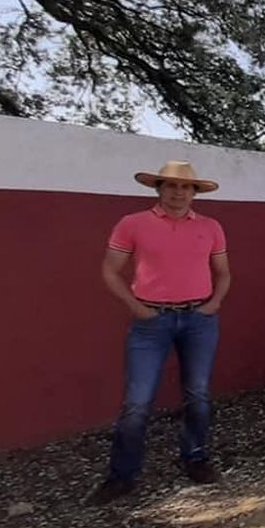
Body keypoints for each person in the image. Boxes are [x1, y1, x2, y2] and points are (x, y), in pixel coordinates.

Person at [86, 161, 231, 506]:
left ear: (195, 192)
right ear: (159, 189)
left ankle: (195, 457)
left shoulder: (211, 227)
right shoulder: (132, 224)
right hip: (151, 321)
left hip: (198, 319)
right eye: (170, 186)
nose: (178, 193)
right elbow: (110, 270)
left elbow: (223, 272)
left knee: (198, 394)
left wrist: (214, 304)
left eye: (185, 187)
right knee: (137, 402)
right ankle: (122, 475)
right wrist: (135, 306)